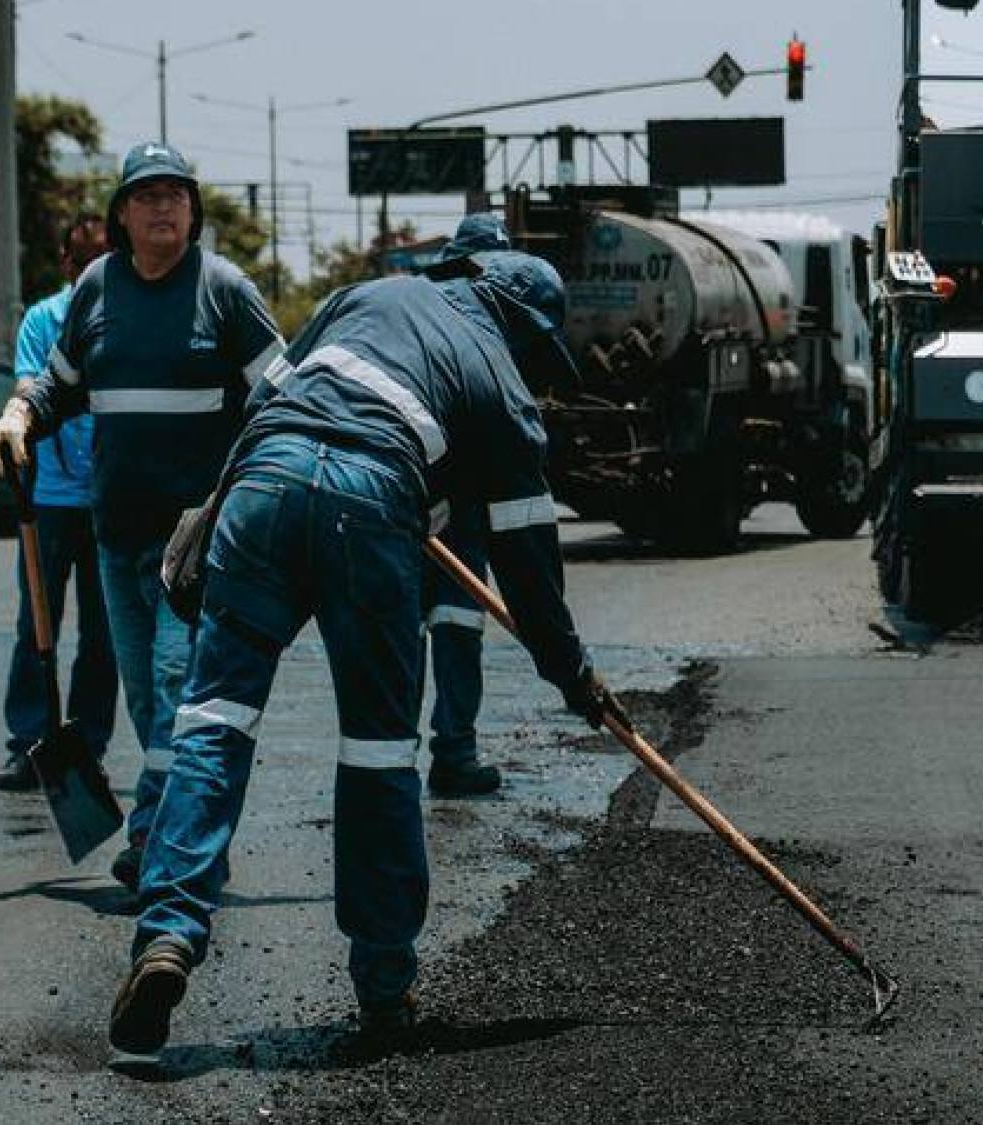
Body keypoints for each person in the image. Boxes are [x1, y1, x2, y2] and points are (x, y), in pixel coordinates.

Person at [100, 249, 615, 1060]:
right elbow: (529, 569)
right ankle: (383, 989)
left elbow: (265, 406)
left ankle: (166, 934)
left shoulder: (369, 293)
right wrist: (573, 675)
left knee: (214, 721)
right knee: (378, 753)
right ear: (518, 324)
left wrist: (215, 516)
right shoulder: (506, 390)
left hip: (263, 489)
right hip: (368, 505)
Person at [0, 142, 283, 889]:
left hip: (197, 541)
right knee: (152, 697)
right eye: (146, 195)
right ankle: (188, 841)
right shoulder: (97, 290)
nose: (162, 207)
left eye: (176, 195)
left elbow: (284, 396)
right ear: (121, 213)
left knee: (180, 682)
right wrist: (21, 415)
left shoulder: (224, 290)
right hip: (115, 535)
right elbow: (59, 385)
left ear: (194, 210)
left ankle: (155, 839)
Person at [0, 217, 121, 791]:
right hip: (48, 499)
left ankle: (89, 743)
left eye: (104, 258)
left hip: (114, 499)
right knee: (36, 626)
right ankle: (30, 742)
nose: (93, 269)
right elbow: (29, 384)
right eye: (83, 259)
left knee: (104, 633)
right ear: (66, 264)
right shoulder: (43, 320)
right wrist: (16, 417)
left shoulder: (128, 315)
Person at [416, 214, 523, 798]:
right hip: (415, 502)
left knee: (457, 627)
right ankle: (401, 754)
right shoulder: (434, 319)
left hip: (463, 512)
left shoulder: (501, 329)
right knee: (407, 633)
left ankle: (453, 753)